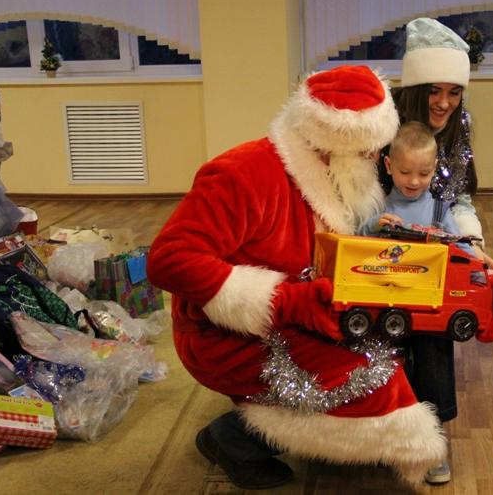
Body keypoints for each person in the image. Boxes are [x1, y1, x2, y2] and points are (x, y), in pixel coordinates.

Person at [147, 66, 448, 489]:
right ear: (330, 145)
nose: (370, 161)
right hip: (223, 333)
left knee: (388, 350)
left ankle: (351, 438)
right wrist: (285, 302)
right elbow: (168, 259)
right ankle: (233, 439)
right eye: (364, 152)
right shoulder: (243, 173)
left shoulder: (330, 177)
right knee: (368, 378)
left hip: (300, 316)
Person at [386, 16, 488, 484]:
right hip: (375, 257)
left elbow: (458, 197)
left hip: (432, 255)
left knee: (433, 339)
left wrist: (473, 244)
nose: (445, 103)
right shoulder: (383, 120)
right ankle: (381, 433)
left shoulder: (458, 124)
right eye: (434, 90)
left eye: (455, 91)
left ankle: (433, 437)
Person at [362, 121, 476, 258]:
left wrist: (479, 274)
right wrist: (373, 225)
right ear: (388, 165)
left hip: (430, 278)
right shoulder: (380, 208)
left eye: (424, 174)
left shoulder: (439, 212)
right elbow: (356, 242)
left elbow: (462, 248)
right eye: (405, 172)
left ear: (434, 168)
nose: (414, 182)